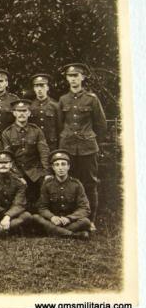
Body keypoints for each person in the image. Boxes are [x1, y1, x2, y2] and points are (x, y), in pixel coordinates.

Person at [58, 63, 107, 232]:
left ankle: (90, 219)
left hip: (87, 148)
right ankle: (71, 218)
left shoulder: (92, 99)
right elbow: (59, 125)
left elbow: (101, 125)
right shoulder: (63, 100)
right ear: (67, 79)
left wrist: (92, 141)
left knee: (89, 183)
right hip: (68, 147)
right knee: (69, 182)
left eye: (76, 76)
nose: (73, 79)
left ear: (83, 77)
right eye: (70, 76)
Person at [1, 99, 50, 210]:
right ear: (14, 113)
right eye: (19, 111)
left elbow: (44, 152)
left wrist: (47, 173)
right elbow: (8, 157)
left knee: (46, 187)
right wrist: (17, 175)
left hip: (35, 170)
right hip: (16, 170)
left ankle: (43, 218)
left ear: (29, 113)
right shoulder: (7, 133)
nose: (22, 114)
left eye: (24, 111)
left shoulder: (36, 131)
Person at [32, 149, 91, 240]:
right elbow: (42, 207)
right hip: (53, 221)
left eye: (63, 164)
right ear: (53, 167)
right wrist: (52, 217)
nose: (60, 168)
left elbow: (85, 208)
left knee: (86, 221)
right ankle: (73, 235)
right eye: (57, 165)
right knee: (35, 217)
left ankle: (54, 232)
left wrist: (69, 218)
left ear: (68, 166)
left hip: (69, 222)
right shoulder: (47, 184)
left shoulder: (76, 184)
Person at [29, 73, 62, 151]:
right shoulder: (30, 107)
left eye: (42, 86)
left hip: (51, 145)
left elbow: (60, 128)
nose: (39, 89)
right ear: (34, 88)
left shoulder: (55, 106)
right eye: (37, 86)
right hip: (35, 146)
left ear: (47, 87)